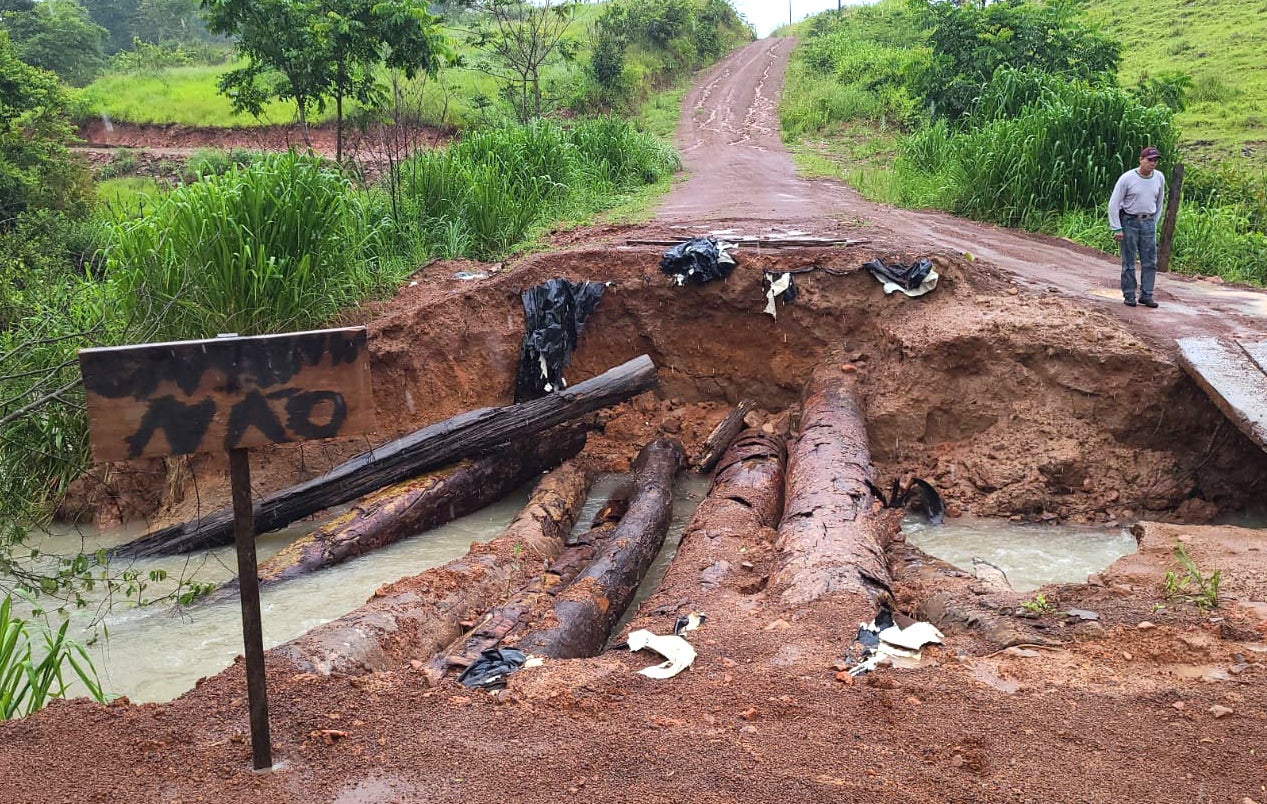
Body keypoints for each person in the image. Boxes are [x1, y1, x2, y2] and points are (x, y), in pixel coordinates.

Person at [1108, 146, 1166, 308]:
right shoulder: (1127, 178)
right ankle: (1129, 294)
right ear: (1141, 160)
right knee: (1129, 261)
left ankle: (1147, 295)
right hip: (1130, 221)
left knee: (1150, 261)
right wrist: (1116, 227)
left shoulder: (1159, 177)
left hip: (1148, 221)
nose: (1152, 163)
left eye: (1155, 161)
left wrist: (1154, 221)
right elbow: (1114, 203)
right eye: (1149, 160)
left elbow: (1159, 202)